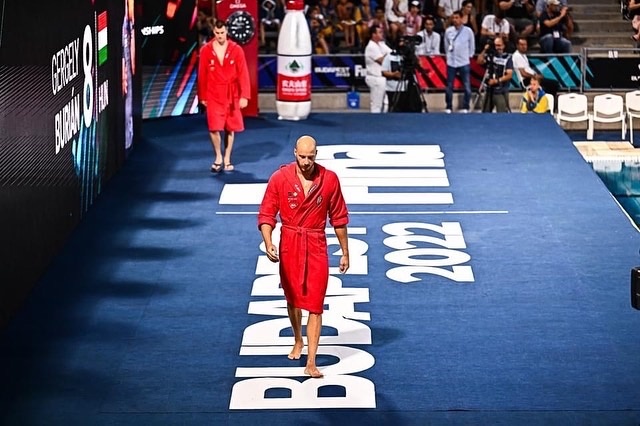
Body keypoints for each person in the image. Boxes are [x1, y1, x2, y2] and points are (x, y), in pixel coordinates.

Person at [258, 135, 350, 378]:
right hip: (290, 243)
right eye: (302, 157)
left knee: (316, 305)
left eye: (310, 157)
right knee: (293, 299)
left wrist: (345, 252)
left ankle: (311, 361)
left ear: (316, 154)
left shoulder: (329, 179)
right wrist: (268, 242)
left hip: (316, 243)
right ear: (294, 153)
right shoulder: (279, 178)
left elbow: (339, 218)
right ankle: (298, 338)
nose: (306, 162)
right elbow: (267, 214)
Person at [197, 20, 251, 173]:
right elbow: (202, 74)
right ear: (213, 32)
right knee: (214, 127)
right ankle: (218, 157)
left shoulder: (236, 49)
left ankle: (227, 158)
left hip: (231, 93)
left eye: (222, 33)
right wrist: (202, 96)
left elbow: (243, 73)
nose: (220, 36)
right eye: (217, 33)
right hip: (213, 93)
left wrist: (244, 96)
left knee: (230, 127)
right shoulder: (206, 50)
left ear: (227, 32)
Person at [444, 10, 475, 113]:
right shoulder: (448, 31)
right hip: (451, 62)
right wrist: (448, 57)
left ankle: (466, 107)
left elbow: (472, 46)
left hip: (464, 61)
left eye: (457, 18)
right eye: (453, 18)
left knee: (467, 85)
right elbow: (446, 45)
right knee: (449, 85)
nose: (455, 20)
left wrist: (469, 57)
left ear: (461, 19)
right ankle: (448, 106)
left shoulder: (468, 31)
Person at [381, 38, 424, 112]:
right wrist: (393, 74)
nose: (403, 44)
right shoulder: (389, 56)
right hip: (393, 88)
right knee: (395, 109)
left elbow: (419, 68)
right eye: (401, 42)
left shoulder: (409, 57)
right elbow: (383, 72)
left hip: (407, 88)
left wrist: (417, 61)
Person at [477, 35, 513, 112]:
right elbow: (479, 61)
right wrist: (485, 50)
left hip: (501, 90)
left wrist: (496, 81)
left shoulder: (507, 58)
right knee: (485, 113)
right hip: (489, 90)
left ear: (504, 46)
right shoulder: (491, 56)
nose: (497, 48)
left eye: (499, 45)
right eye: (495, 45)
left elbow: (509, 75)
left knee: (502, 113)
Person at [364, 24, 393, 112]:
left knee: (386, 104)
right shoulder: (371, 47)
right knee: (377, 105)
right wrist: (387, 55)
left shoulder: (381, 44)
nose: (382, 34)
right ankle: (374, 119)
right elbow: (382, 61)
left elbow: (392, 53)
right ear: (374, 35)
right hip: (375, 78)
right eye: (380, 32)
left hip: (383, 78)